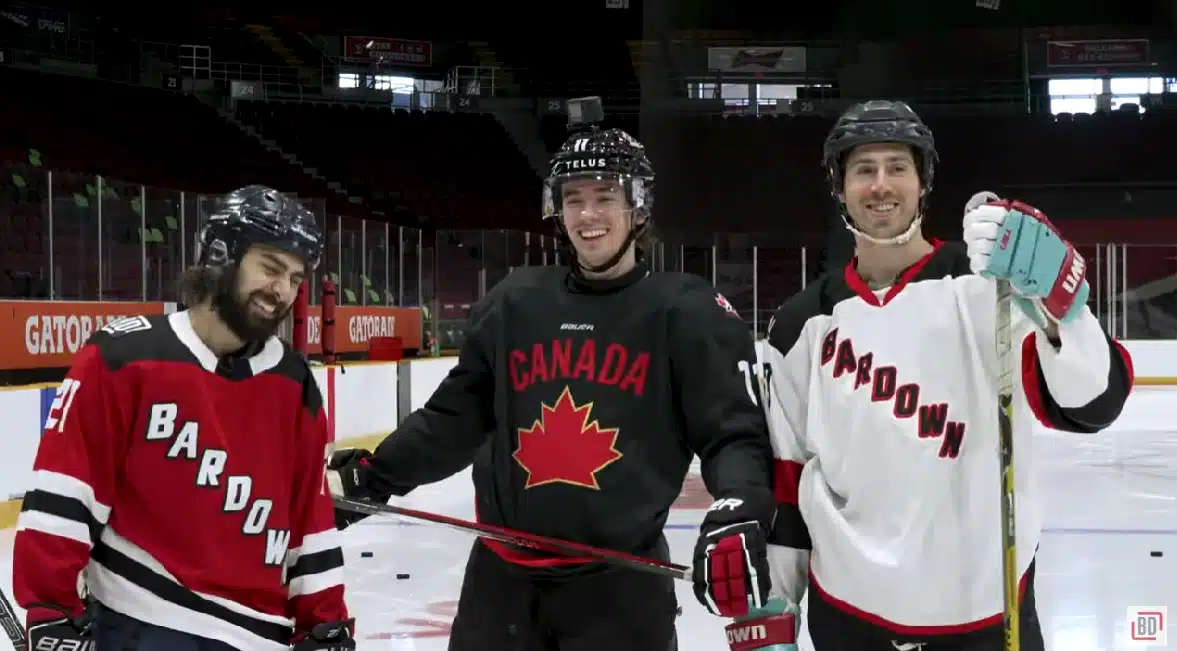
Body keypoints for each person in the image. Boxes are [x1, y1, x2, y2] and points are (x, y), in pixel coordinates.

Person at [327, 110, 781, 651]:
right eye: (573, 199)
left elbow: (733, 432)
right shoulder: (514, 304)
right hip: (500, 589)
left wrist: (740, 505)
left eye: (605, 197)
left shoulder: (685, 313)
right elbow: (454, 419)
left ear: (638, 206)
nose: (588, 215)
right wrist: (374, 476)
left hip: (620, 590)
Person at [739, 100, 1135, 651]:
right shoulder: (799, 324)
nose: (881, 185)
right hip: (850, 618)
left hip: (985, 615)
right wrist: (776, 605)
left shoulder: (990, 286)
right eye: (863, 169)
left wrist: (1059, 304)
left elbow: (1094, 403)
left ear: (923, 180)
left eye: (897, 167)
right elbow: (789, 479)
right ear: (839, 187)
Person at [13, 185, 354, 651]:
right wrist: (52, 611)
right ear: (219, 256)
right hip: (140, 620)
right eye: (271, 268)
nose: (282, 291)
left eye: (295, 278)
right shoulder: (123, 356)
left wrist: (322, 623)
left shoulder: (295, 384)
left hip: (259, 633)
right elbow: (68, 493)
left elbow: (309, 521)